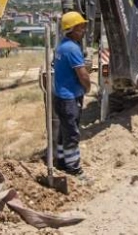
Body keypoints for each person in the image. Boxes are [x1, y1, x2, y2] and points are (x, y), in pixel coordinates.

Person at [53, 11, 91, 178]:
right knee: (72, 134)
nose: (83, 30)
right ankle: (74, 170)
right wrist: (88, 87)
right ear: (72, 29)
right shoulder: (73, 48)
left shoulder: (62, 45)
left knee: (64, 130)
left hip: (60, 96)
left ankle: (61, 162)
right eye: (80, 27)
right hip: (69, 98)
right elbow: (82, 74)